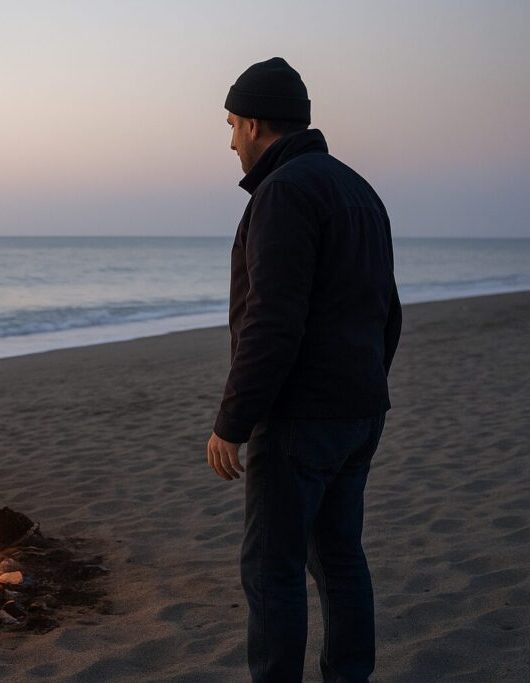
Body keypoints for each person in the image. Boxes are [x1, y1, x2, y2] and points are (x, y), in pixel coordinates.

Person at [205, 57, 402, 683]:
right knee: (339, 558)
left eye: (233, 124)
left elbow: (271, 323)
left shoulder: (283, 193)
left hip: (300, 420)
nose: (230, 139)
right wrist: (364, 386)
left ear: (257, 124)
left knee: (273, 570)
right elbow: (387, 312)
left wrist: (232, 423)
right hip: (358, 412)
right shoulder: (357, 188)